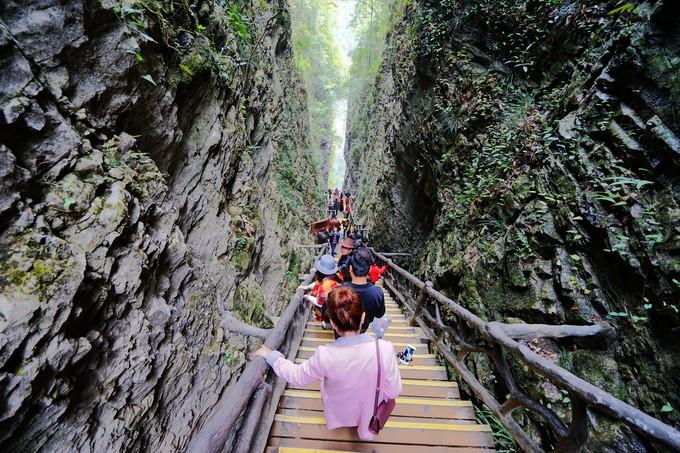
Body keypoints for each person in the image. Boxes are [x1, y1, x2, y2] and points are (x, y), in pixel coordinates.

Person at [254, 286, 402, 440]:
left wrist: (273, 356)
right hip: (368, 409)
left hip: (340, 410)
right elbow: (393, 391)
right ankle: (365, 429)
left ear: (333, 323)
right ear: (363, 317)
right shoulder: (384, 349)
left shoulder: (325, 355)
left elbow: (296, 376)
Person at [344, 247, 385, 332]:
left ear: (350, 268)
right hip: (363, 328)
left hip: (342, 331)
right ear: (369, 269)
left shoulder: (338, 291)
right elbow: (379, 314)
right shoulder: (377, 293)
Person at [300, 254, 342, 329]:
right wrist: (308, 287)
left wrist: (308, 297)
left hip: (330, 316)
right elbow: (318, 282)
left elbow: (320, 303)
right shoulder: (337, 276)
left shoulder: (324, 287)